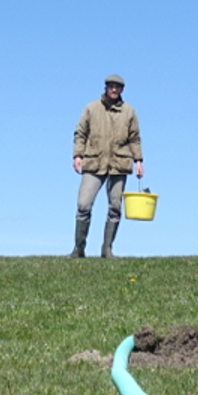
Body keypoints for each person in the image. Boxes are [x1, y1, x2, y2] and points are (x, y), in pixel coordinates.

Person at [70, 74, 143, 258]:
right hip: (94, 162)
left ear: (121, 90)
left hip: (119, 163)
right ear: (105, 88)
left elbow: (134, 138)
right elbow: (80, 133)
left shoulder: (129, 111)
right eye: (110, 86)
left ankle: (107, 249)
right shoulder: (91, 108)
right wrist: (78, 155)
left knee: (115, 207)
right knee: (83, 205)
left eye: (117, 87)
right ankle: (79, 248)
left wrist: (139, 161)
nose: (113, 90)